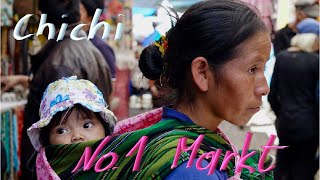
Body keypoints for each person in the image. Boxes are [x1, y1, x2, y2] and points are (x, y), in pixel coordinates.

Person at [33, 1, 274, 179]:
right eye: (253, 69)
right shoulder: (192, 169)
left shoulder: (169, 140)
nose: (264, 87)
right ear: (202, 72)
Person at [1, 0, 113, 178]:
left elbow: (64, 111)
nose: (77, 135)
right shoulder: (87, 48)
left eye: (87, 125)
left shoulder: (59, 62)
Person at [268, 32, 319, 180]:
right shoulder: (315, 61)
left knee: (283, 162)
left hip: (285, 120)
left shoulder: (282, 57)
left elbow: (272, 94)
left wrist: (280, 113)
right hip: (309, 123)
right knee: (303, 165)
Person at [79, 0, 117, 83]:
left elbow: (111, 86)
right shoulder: (71, 43)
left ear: (90, 19)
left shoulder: (101, 48)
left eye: (80, 10)